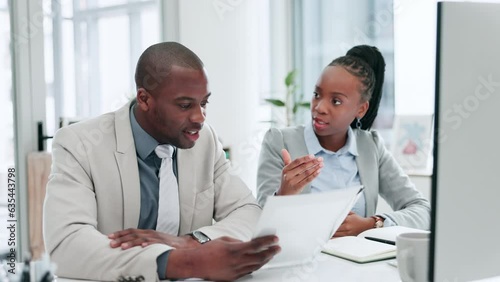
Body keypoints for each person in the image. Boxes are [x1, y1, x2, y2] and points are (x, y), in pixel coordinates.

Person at [43, 42, 280, 282]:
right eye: (185, 105)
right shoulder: (79, 144)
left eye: (204, 103)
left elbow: (248, 212)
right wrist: (185, 262)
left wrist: (190, 242)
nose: (200, 117)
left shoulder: (204, 139)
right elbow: (67, 245)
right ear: (144, 99)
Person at [256, 45, 430, 237]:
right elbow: (261, 226)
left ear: (361, 109)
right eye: (317, 95)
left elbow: (422, 210)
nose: (319, 108)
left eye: (336, 101)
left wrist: (372, 224)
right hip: (301, 263)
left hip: (358, 263)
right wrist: (283, 195)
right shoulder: (280, 142)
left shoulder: (370, 147)